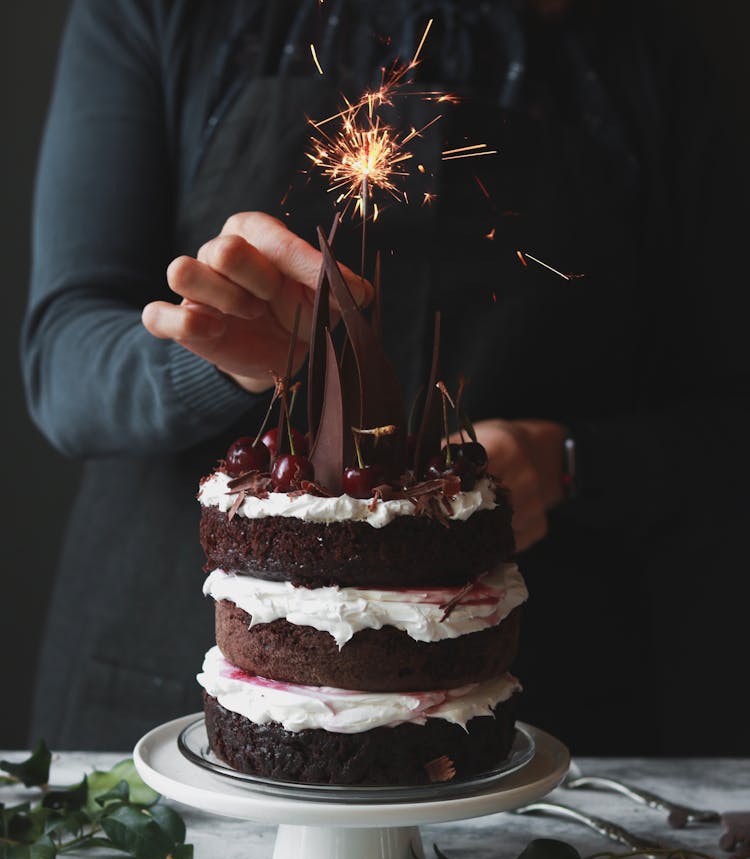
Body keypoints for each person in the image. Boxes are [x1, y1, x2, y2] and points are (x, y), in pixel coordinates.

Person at [22, 0, 749, 757]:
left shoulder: (647, 61)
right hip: (158, 701)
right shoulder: (162, 14)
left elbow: (730, 421)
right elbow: (61, 365)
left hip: (518, 733)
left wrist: (573, 461)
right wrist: (219, 357)